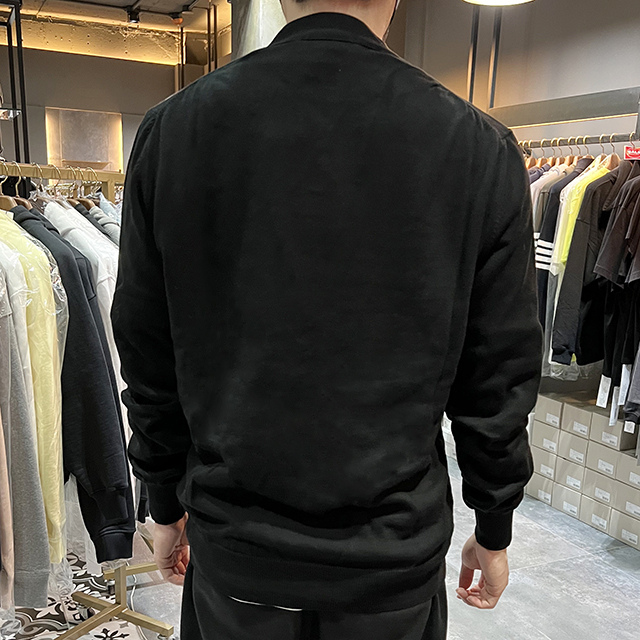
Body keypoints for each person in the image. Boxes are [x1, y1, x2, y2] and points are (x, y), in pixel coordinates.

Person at [111, 0, 542, 636]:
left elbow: (147, 348)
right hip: (390, 555)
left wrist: (164, 501)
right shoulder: (477, 145)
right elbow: (499, 370)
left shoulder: (173, 131)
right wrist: (494, 522)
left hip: (238, 549)